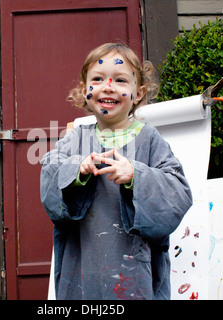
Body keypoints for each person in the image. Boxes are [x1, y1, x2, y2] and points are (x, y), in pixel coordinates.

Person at [40, 43, 192, 300]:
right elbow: (50, 175)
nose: (108, 86)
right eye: (97, 79)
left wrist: (136, 175)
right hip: (82, 270)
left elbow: (177, 192)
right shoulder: (75, 138)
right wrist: (77, 168)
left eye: (120, 80)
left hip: (135, 273)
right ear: (83, 90)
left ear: (139, 92)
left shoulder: (150, 140)